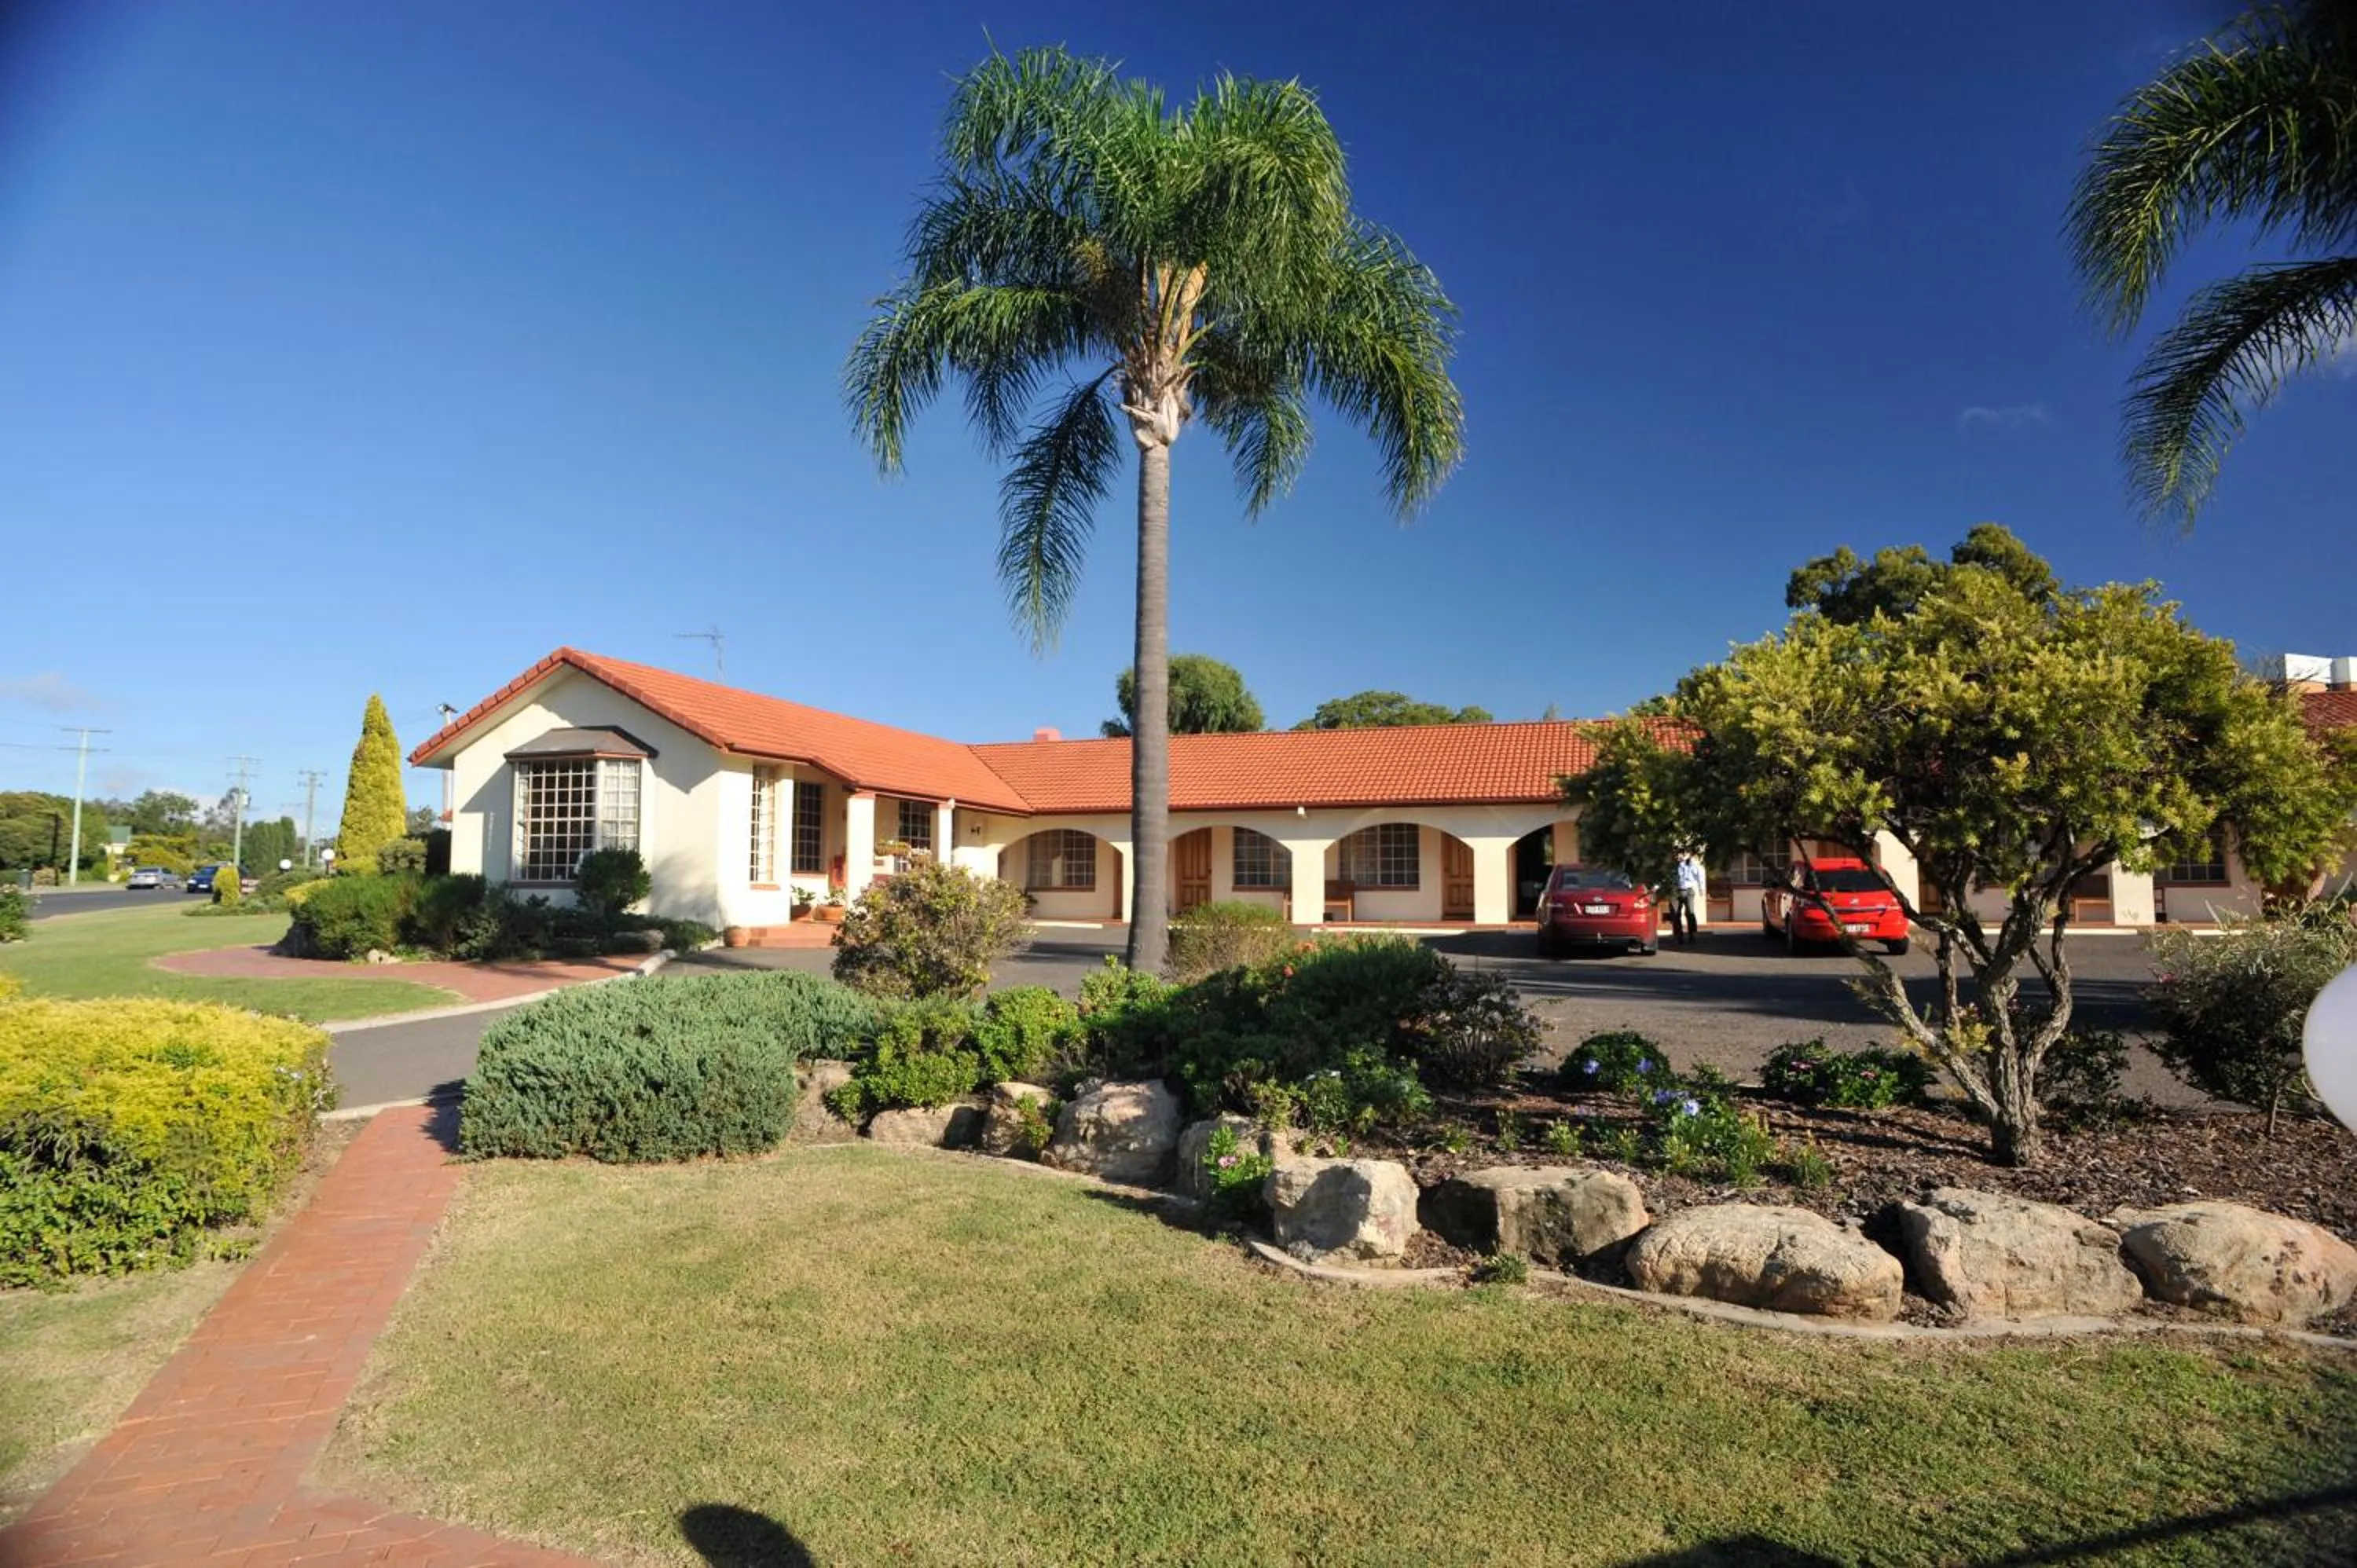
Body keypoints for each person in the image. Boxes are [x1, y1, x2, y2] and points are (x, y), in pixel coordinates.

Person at [1671, 852, 1707, 946]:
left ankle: (1692, 934)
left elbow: (1700, 876)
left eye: (1681, 854)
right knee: (1675, 914)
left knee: (1690, 913)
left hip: (1688, 890)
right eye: (1677, 854)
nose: (1678, 856)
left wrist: (1701, 889)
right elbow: (1667, 877)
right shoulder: (1672, 865)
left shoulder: (1692, 864)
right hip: (1675, 890)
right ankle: (1679, 936)